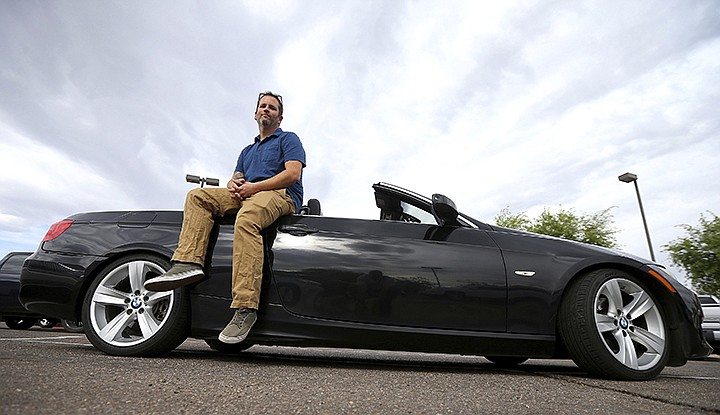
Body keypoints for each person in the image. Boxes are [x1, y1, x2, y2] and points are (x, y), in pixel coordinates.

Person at [144, 91, 306, 344]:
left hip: (279, 194)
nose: (266, 110)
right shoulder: (247, 151)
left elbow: (292, 174)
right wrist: (234, 183)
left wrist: (254, 187)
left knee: (246, 220)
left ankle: (245, 308)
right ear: (255, 114)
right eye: (262, 106)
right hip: (248, 192)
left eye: (271, 108)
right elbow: (237, 176)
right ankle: (188, 263)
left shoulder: (288, 139)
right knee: (198, 196)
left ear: (280, 117)